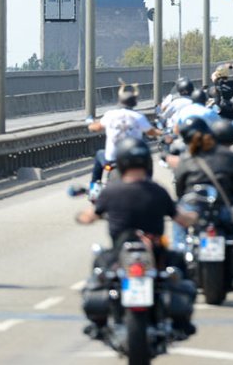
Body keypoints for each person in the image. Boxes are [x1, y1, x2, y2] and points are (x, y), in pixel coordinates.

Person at [75, 138, 197, 342]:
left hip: (120, 251)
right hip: (155, 252)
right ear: (147, 164)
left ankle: (98, 324)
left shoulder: (111, 191)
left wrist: (81, 216)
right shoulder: (157, 190)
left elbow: (89, 216)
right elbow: (182, 219)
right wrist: (195, 217)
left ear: (121, 163)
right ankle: (181, 323)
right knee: (180, 269)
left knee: (98, 270)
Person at [170, 116, 233, 266]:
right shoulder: (229, 157)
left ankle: (178, 254)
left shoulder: (186, 159)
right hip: (224, 209)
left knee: (178, 217)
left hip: (194, 212)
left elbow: (180, 191)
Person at [86, 82, 156, 187]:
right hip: (134, 158)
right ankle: (148, 184)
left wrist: (90, 123)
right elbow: (151, 132)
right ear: (135, 102)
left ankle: (93, 186)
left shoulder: (110, 115)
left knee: (99, 154)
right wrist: (162, 132)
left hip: (112, 159)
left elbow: (96, 127)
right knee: (148, 159)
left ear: (119, 101)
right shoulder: (138, 116)